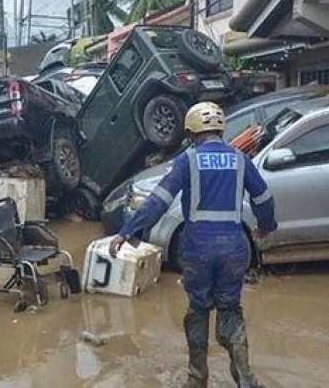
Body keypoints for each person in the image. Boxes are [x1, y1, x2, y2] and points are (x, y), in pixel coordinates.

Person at [109, 101, 278, 388]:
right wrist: (265, 226)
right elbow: (264, 198)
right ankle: (246, 380)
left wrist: (128, 230)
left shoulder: (188, 160)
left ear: (192, 132)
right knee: (231, 310)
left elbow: (158, 200)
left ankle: (197, 379)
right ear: (220, 129)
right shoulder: (240, 158)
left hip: (198, 247)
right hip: (235, 248)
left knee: (198, 310)